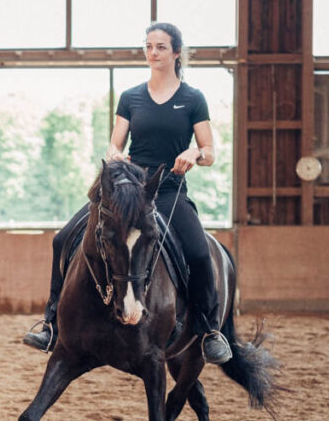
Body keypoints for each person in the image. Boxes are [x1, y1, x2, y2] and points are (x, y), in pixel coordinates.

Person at [23, 21, 233, 365]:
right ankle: (49, 322)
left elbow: (209, 150)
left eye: (161, 47)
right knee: (62, 239)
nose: (153, 52)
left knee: (197, 252)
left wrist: (194, 154)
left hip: (166, 191)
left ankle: (210, 331)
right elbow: (114, 143)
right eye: (149, 46)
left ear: (176, 52)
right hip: (128, 188)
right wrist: (115, 156)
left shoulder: (193, 98)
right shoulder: (131, 96)